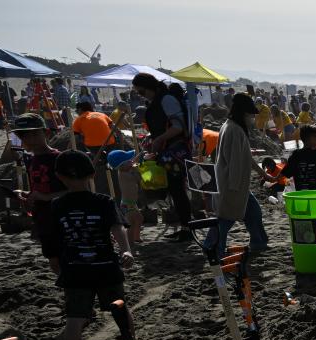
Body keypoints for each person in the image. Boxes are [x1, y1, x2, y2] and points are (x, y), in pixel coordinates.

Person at [47, 151, 137, 340]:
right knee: (120, 308)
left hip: (75, 269)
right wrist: (126, 250)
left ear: (59, 176)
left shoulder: (57, 205)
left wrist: (57, 266)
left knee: (75, 318)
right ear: (92, 174)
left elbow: (52, 242)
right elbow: (118, 228)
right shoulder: (103, 202)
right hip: (105, 266)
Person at [204, 92, 269, 260]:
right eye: (250, 115)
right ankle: (212, 248)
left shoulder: (231, 126)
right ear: (244, 113)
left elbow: (246, 157)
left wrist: (262, 173)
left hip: (236, 184)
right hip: (232, 184)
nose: (252, 118)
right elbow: (234, 162)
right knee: (225, 219)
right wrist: (234, 187)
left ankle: (259, 242)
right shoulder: (234, 130)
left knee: (253, 212)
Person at [131, 73, 193, 239]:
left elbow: (178, 127)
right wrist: (152, 137)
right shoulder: (157, 101)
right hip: (167, 151)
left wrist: (159, 139)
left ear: (150, 87)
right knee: (174, 189)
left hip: (175, 152)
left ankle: (187, 229)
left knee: (177, 190)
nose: (141, 95)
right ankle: (185, 227)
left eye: (142, 92)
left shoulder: (167, 100)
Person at [12, 114, 68, 261]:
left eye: (35, 134)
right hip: (43, 219)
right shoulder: (31, 160)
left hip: (62, 220)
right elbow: (42, 188)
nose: (30, 140)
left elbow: (77, 191)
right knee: (53, 259)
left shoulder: (59, 158)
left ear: (46, 133)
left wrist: (45, 197)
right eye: (25, 136)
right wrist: (26, 194)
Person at [107, 150, 144, 251]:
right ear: (121, 165)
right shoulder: (125, 174)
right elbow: (138, 179)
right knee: (130, 224)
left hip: (131, 203)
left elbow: (132, 161)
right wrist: (136, 170)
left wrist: (141, 154)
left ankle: (136, 237)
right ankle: (130, 244)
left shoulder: (124, 169)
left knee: (139, 218)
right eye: (129, 161)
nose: (131, 162)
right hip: (127, 204)